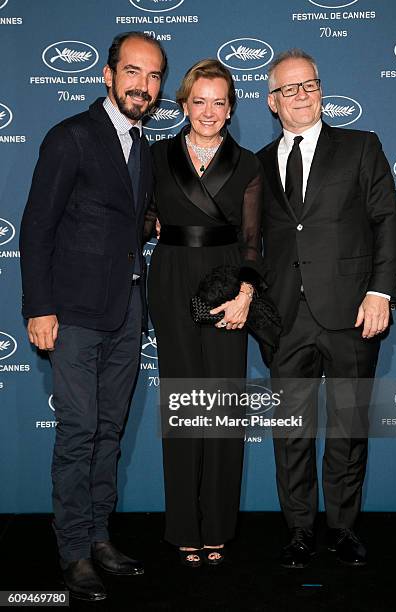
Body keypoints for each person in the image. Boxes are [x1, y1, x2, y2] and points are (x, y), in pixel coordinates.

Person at [19, 32, 167, 601]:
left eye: (154, 77)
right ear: (107, 75)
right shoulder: (72, 137)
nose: (143, 86)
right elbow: (37, 227)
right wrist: (39, 308)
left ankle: (101, 536)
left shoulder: (143, 146)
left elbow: (130, 216)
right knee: (78, 433)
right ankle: (73, 552)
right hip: (74, 312)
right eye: (133, 72)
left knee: (109, 432)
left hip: (128, 310)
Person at [257, 49, 396, 569]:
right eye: (290, 89)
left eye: (310, 85)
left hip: (352, 314)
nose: (302, 95)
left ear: (321, 89)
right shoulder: (258, 164)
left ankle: (341, 529)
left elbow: (387, 219)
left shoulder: (361, 147)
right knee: (291, 433)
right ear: (272, 102)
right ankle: (298, 530)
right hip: (285, 321)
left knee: (347, 426)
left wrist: (381, 291)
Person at [145, 59, 263, 567]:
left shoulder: (249, 164)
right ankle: (182, 527)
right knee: (183, 405)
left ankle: (216, 525)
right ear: (184, 104)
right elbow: (141, 214)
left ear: (232, 108)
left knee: (220, 406)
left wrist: (245, 294)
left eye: (220, 102)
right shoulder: (155, 156)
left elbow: (255, 240)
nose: (209, 111)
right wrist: (150, 222)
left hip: (224, 282)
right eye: (200, 101)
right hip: (172, 280)